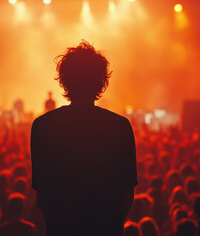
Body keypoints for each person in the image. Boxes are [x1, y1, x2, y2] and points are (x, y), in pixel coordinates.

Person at [30, 41, 137, 236]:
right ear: (101, 80)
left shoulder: (42, 126)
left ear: (64, 79)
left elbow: (42, 196)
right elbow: (127, 195)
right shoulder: (120, 127)